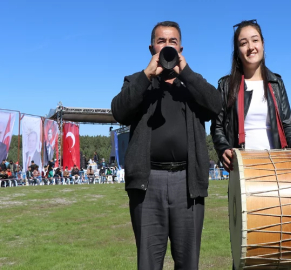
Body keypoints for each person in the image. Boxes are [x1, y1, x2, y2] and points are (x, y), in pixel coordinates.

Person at [111, 21, 221, 269]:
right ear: (151, 48)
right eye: (161, 41)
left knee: (188, 262)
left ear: (181, 48)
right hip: (148, 184)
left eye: (172, 42)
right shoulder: (137, 82)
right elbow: (118, 111)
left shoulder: (191, 84)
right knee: (148, 263)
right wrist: (147, 75)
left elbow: (216, 105)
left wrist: (187, 73)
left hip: (187, 183)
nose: (167, 46)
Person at [211, 20, 291, 173]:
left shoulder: (276, 83)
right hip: (243, 167)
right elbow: (217, 127)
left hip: (276, 165)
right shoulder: (226, 85)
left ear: (262, 43)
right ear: (237, 50)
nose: (251, 47)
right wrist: (223, 149)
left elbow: (287, 123)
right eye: (243, 43)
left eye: (255, 40)